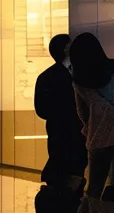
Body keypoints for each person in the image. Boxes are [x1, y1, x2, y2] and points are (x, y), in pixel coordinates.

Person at [69, 32, 114, 197]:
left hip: (97, 138)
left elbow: (82, 113)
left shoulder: (79, 80)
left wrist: (92, 125)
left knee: (94, 189)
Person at [34, 34, 87, 189]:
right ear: (66, 49)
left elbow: (42, 110)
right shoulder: (77, 75)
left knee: (62, 166)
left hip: (57, 132)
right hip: (73, 132)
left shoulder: (45, 77)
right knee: (72, 169)